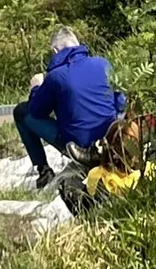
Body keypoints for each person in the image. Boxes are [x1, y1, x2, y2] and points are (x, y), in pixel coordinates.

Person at [14, 27, 127, 188]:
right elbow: (121, 102)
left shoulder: (55, 77)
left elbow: (37, 111)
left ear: (55, 50)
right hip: (110, 139)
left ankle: (43, 170)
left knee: (21, 111)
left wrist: (35, 89)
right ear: (78, 44)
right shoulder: (103, 64)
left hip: (76, 147)